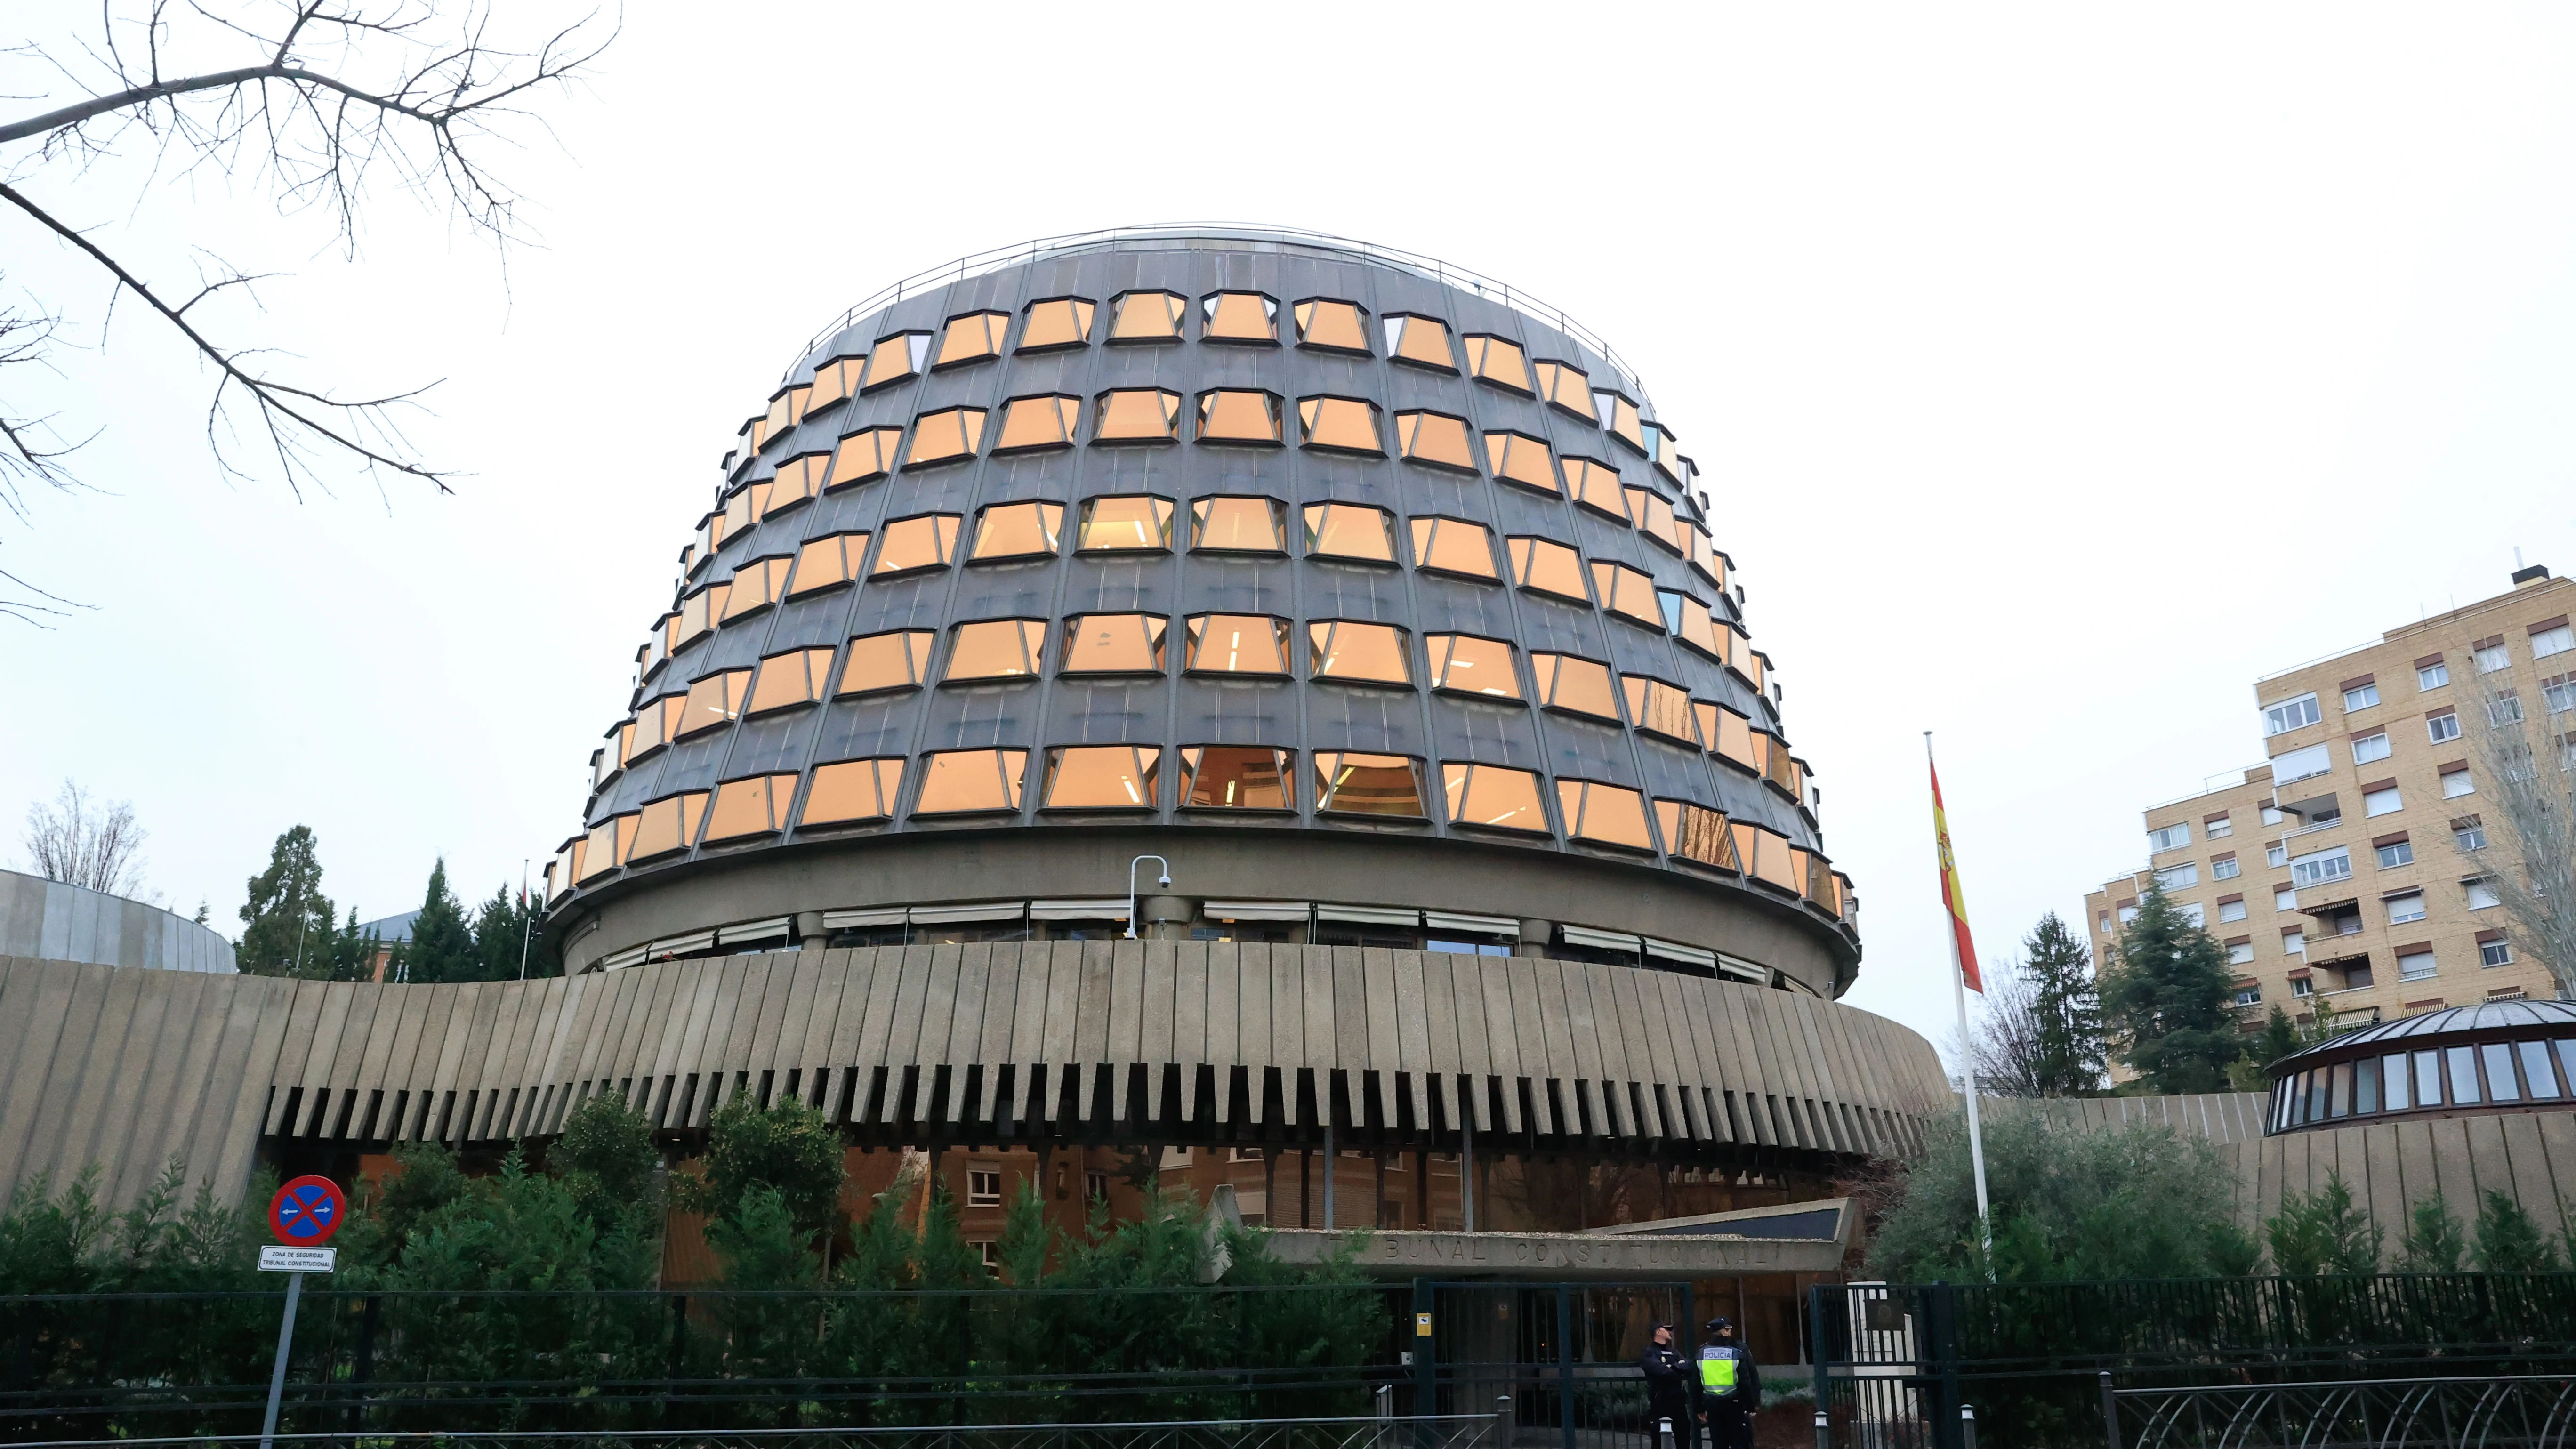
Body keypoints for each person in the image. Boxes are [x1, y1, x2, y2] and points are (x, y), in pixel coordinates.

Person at [1699, 1317, 1760, 1449]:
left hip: (1712, 1404)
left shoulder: (1703, 1352)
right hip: (1735, 1403)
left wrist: (1699, 1407)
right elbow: (1749, 1378)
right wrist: (1752, 1404)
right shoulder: (1738, 1350)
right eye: (1727, 1329)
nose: (1729, 1332)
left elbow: (1697, 1382)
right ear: (1723, 1332)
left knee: (1719, 1443)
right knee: (1740, 1442)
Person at [1641, 1320, 1696, 1447]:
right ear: (1658, 1332)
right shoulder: (1650, 1352)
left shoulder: (1673, 1352)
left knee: (1684, 1436)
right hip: (1660, 1400)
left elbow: (1689, 1366)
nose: (1671, 1332)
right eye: (1667, 1329)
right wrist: (1677, 1368)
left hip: (1678, 1400)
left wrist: (1673, 1367)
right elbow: (1661, 1371)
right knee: (1659, 1439)